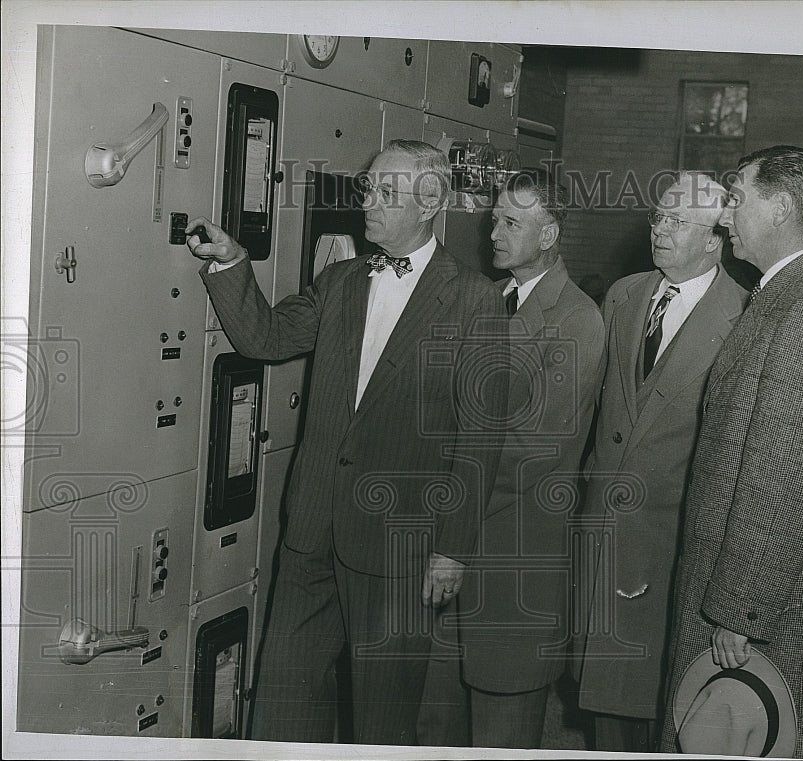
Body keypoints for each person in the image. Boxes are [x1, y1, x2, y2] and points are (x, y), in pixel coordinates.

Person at [186, 140, 507, 746]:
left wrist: (454, 549)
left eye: (387, 193)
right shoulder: (339, 281)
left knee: (380, 721)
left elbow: (478, 438)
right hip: (312, 529)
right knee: (283, 706)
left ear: (432, 201)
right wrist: (231, 262)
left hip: (400, 545)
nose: (369, 205)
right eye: (368, 190)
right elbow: (267, 336)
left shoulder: (475, 300)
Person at [662, 146, 803, 758]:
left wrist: (740, 612)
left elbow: (787, 478)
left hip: (768, 621)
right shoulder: (790, 294)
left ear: (779, 209)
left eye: (739, 199)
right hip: (753, 603)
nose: (727, 219)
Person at [418, 171, 605, 749]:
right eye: (493, 220)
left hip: (511, 566)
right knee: (432, 729)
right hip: (456, 554)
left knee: (501, 737)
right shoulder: (491, 298)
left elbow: (532, 452)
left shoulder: (576, 320)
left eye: (510, 223)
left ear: (548, 234)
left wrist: (436, 499)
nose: (493, 233)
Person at [574, 172, 747, 752]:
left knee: (662, 712)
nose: (660, 230)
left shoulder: (742, 319)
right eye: (658, 217)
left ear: (715, 238)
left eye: (678, 221)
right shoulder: (624, 295)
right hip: (602, 535)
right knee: (603, 707)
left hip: (671, 547)